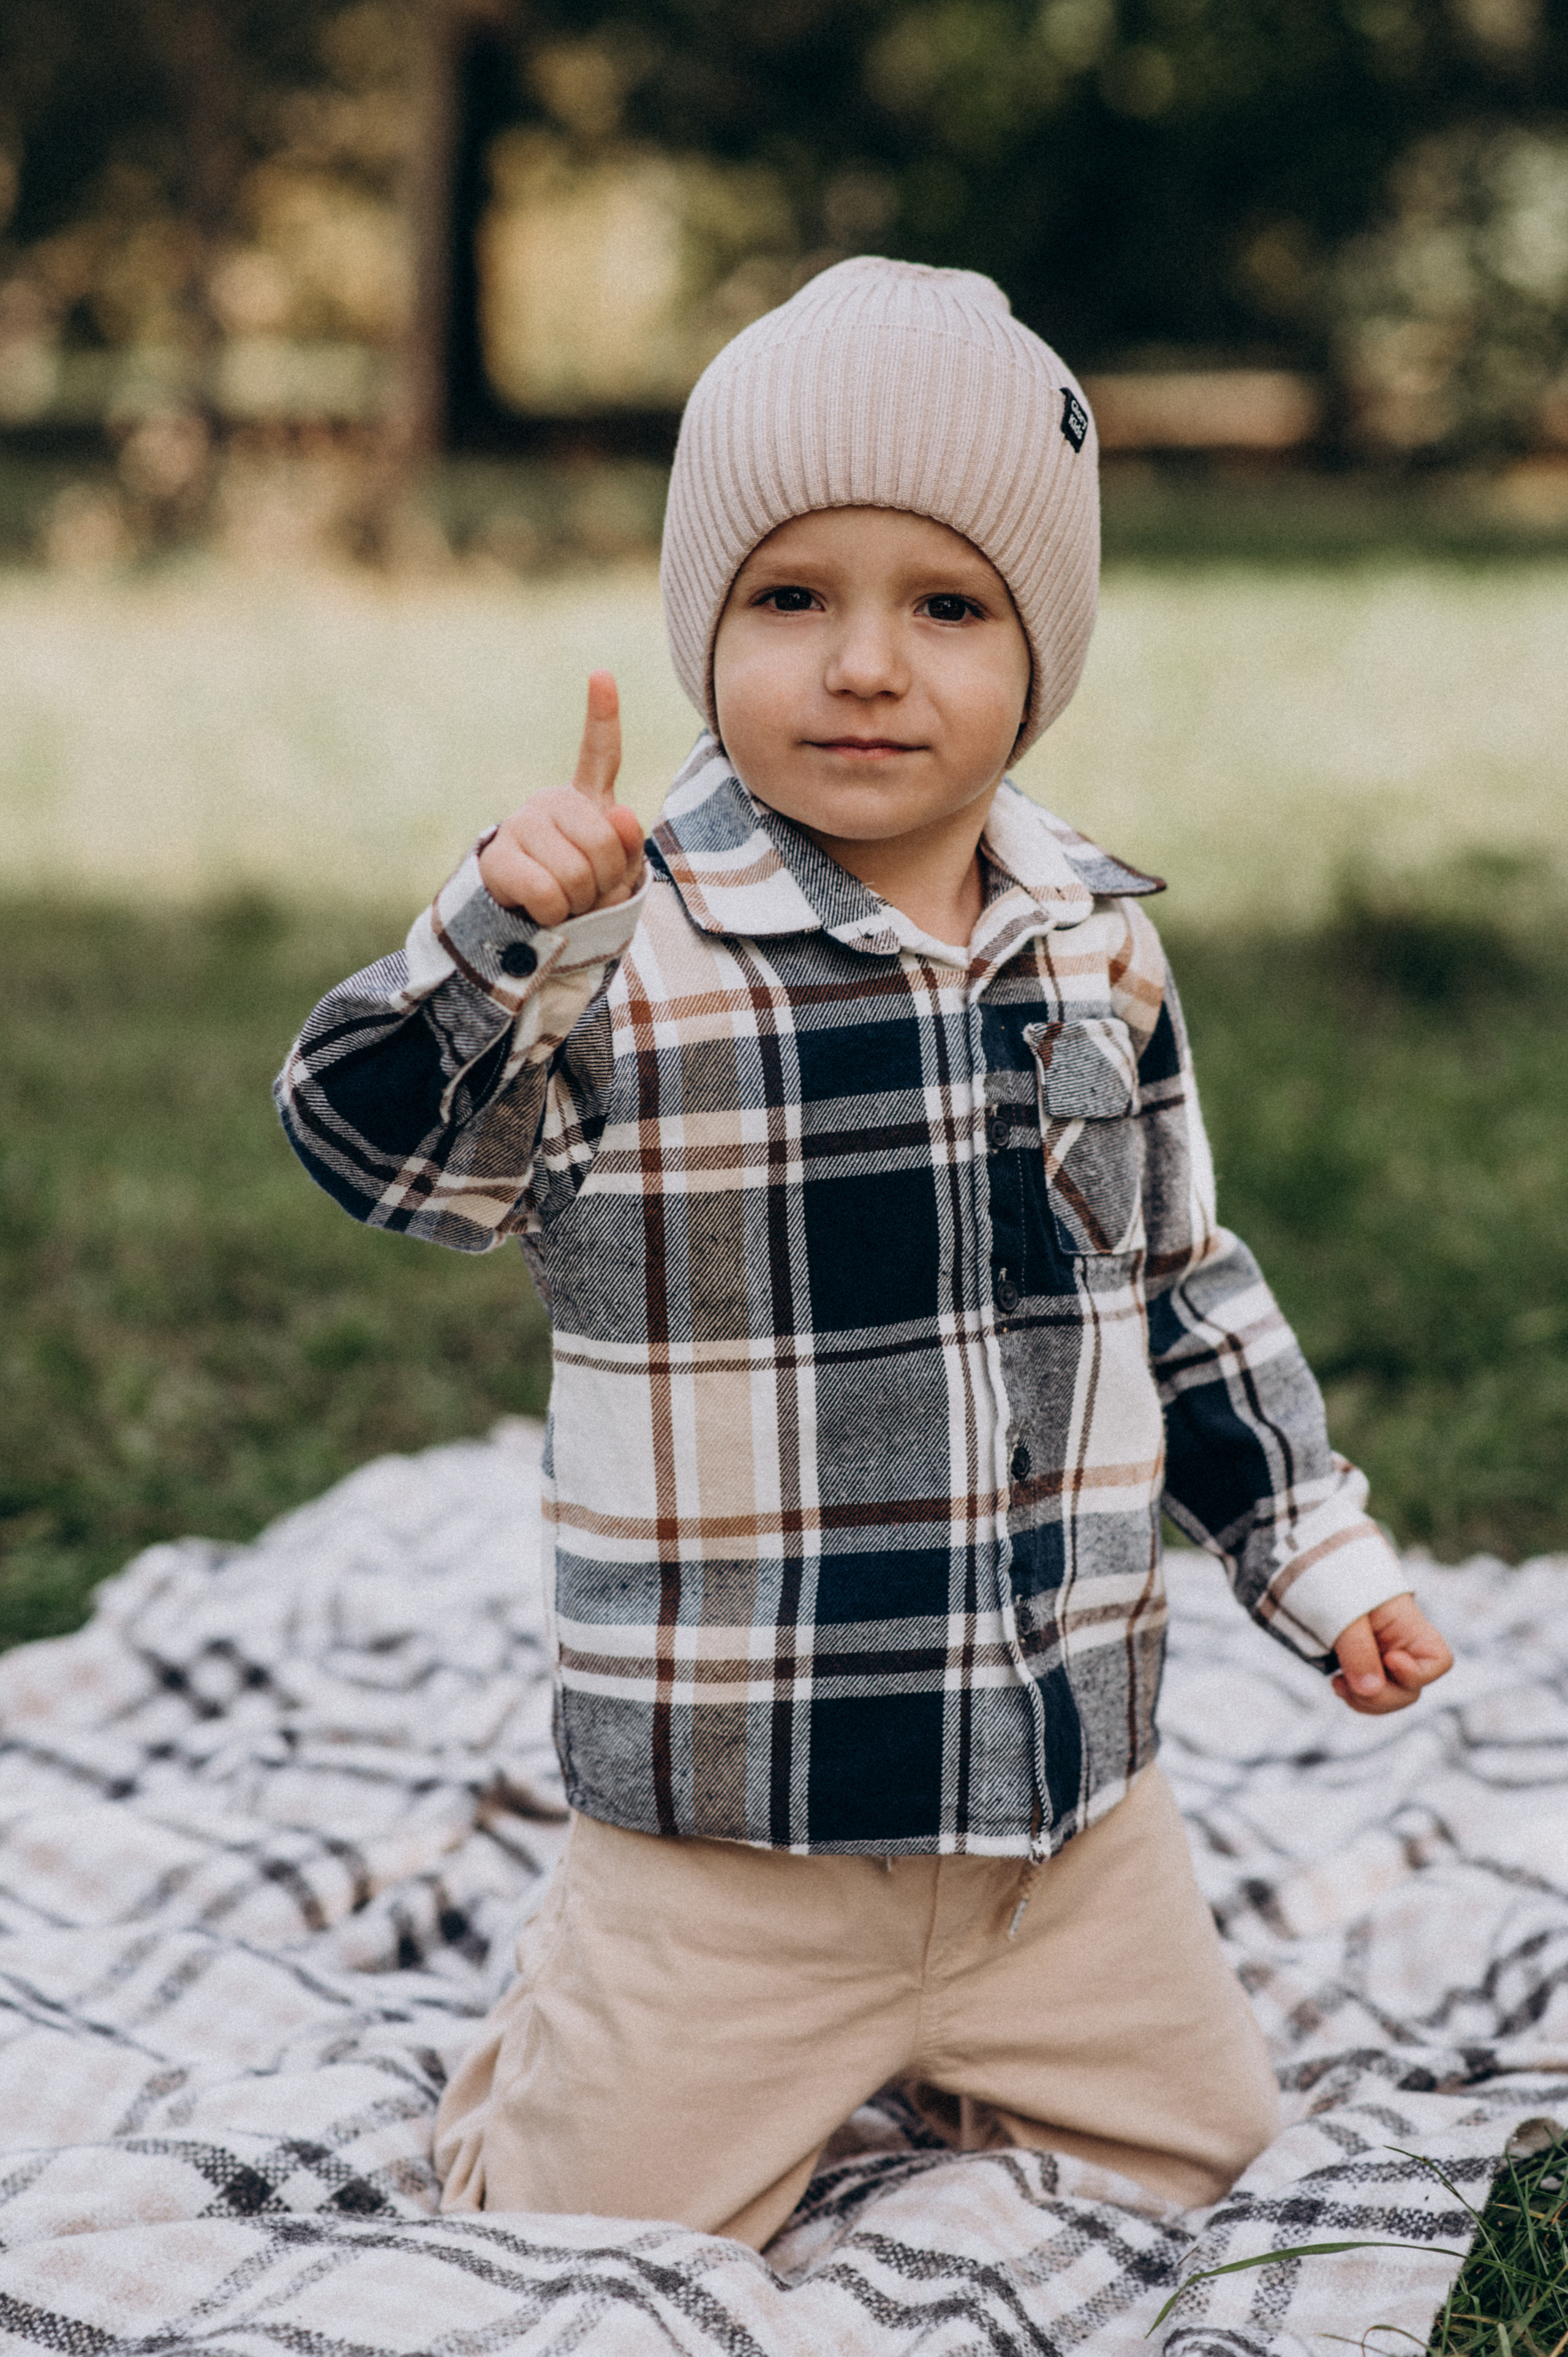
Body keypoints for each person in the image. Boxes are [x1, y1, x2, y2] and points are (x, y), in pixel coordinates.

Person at [276, 256, 1453, 2248]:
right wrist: (500, 939)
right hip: (734, 1844)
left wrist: (1312, 1553)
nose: (867, 666)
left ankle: (959, 2052)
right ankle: (572, 2042)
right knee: (579, 2253)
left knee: (1208, 2192)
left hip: (1063, 1835)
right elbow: (371, 1153)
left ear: (1043, 651)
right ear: (705, 628)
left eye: (949, 607)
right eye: (793, 598)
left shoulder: (1094, 946)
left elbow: (1176, 1283)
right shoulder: (619, 952)